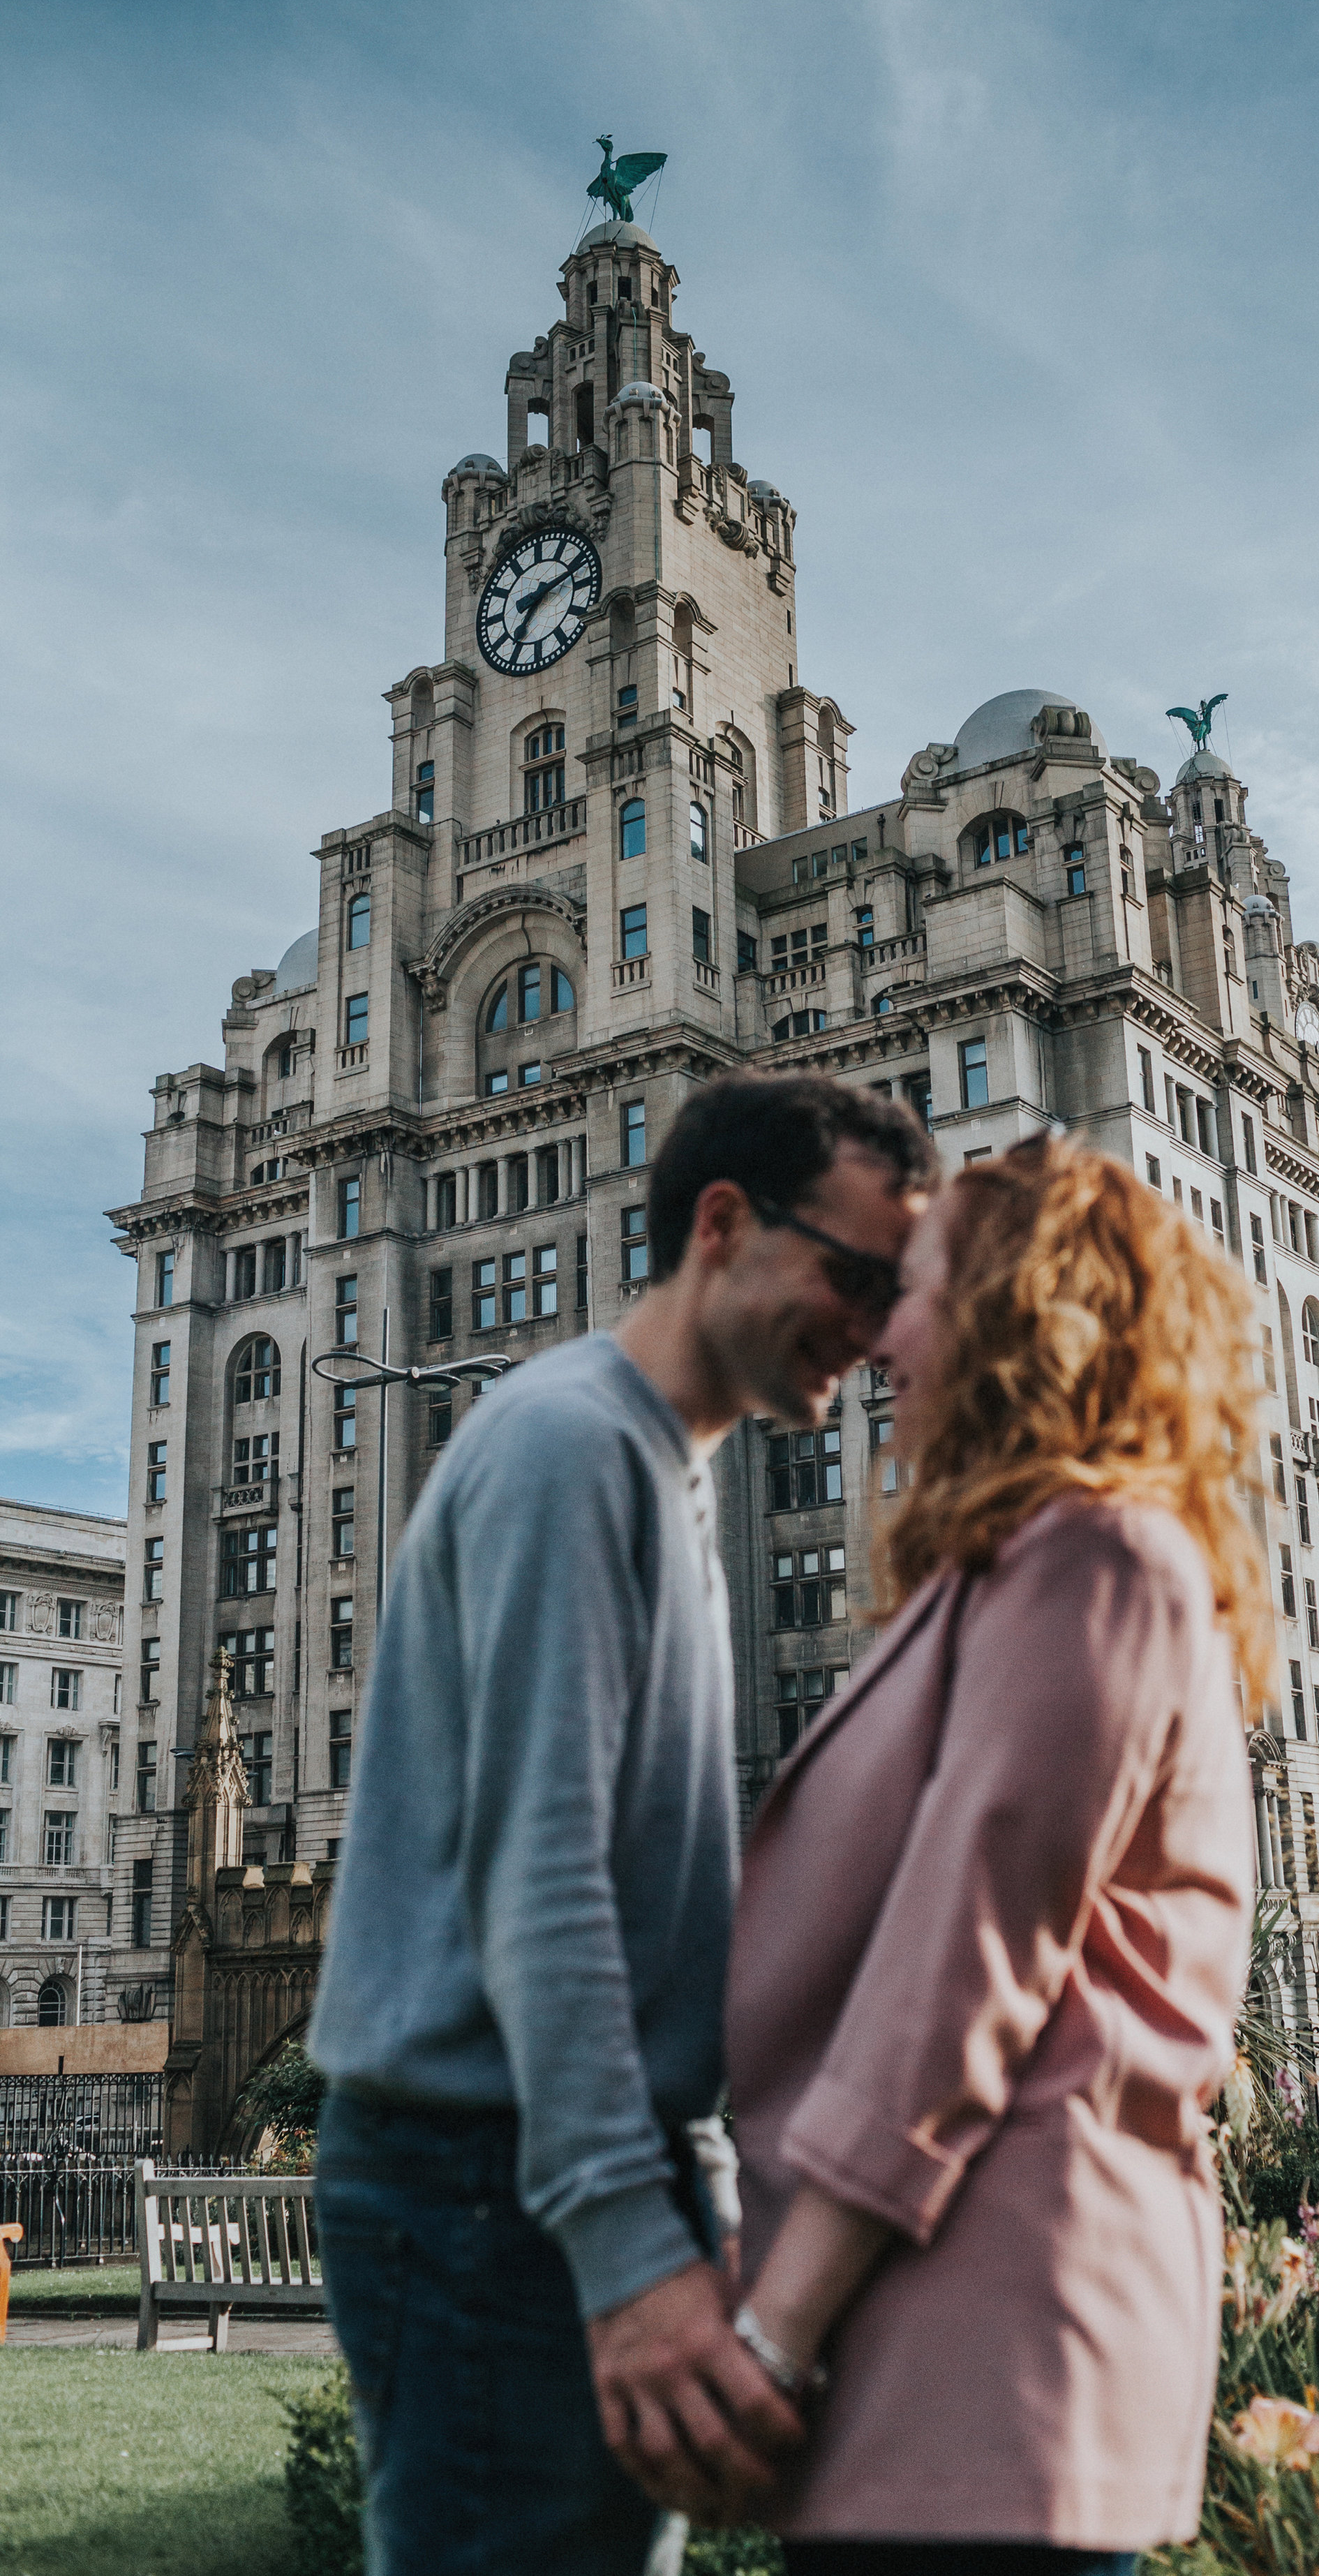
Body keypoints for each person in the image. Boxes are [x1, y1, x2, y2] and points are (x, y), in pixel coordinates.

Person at [309, 1070, 935, 2576]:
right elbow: (547, 1885)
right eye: (854, 1275)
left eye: (899, 1294)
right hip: (487, 2181)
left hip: (535, 2170)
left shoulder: (658, 1463)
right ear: (720, 1225)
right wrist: (629, 2251)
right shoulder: (571, 1446)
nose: (881, 1329)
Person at [721, 1133, 1269, 2576]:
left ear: (1024, 1311)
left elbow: (957, 1974)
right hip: (925, 2360)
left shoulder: (1100, 1558)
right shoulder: (1008, 1572)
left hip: (993, 2354)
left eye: (915, 1290)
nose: (880, 1331)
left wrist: (772, 2332)